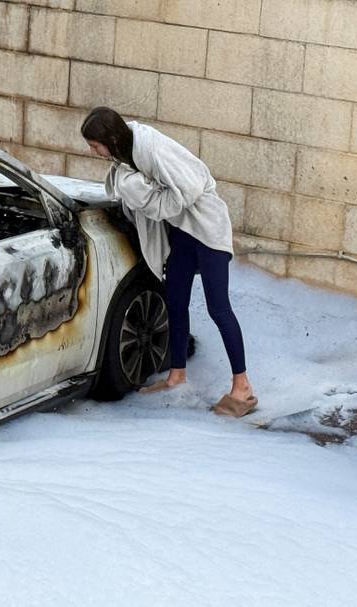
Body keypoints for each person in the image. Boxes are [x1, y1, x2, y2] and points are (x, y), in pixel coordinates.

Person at [80, 106, 256, 417]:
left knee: (218, 308)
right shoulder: (125, 158)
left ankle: (242, 387)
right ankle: (177, 376)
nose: (93, 151)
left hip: (207, 228)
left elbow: (192, 185)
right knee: (175, 302)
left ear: (110, 139)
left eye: (95, 145)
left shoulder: (151, 147)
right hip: (182, 233)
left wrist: (156, 201)